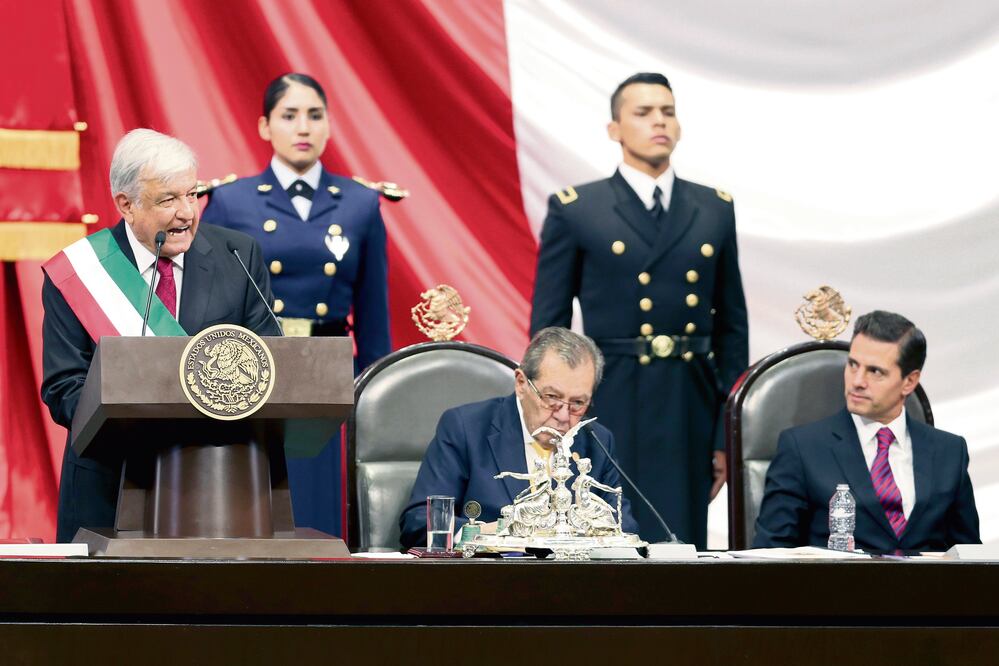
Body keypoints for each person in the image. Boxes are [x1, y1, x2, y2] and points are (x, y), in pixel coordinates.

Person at [529, 72, 748, 547]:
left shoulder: (713, 208)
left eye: (667, 112)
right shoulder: (579, 208)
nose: (659, 122)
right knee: (607, 536)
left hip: (690, 401)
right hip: (611, 399)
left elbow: (732, 331)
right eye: (643, 113)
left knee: (681, 542)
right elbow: (550, 331)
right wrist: (554, 418)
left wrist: (725, 433)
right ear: (615, 129)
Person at [41, 128, 281, 543]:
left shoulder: (238, 256)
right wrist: (149, 426)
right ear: (126, 205)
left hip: (218, 481)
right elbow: (64, 389)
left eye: (193, 194)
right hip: (108, 488)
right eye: (168, 200)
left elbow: (270, 363)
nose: (187, 213)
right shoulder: (79, 274)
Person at [201, 73, 392, 537]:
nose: (303, 128)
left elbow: (373, 314)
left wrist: (374, 389)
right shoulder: (230, 201)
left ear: (328, 126)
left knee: (320, 507)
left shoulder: (360, 203)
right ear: (265, 126)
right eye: (289, 116)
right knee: (252, 504)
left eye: (314, 115)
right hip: (250, 369)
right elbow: (209, 305)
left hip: (326, 370)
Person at [753, 311, 981, 552]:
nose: (857, 381)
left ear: (909, 382)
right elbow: (770, 555)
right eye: (853, 365)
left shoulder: (949, 452)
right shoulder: (802, 448)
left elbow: (968, 557)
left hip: (928, 589)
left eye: (875, 371)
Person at [399, 327, 638, 550]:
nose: (564, 416)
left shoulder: (596, 441)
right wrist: (501, 532)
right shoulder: (466, 428)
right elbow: (420, 524)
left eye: (578, 403)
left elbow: (625, 528)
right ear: (522, 383)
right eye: (552, 397)